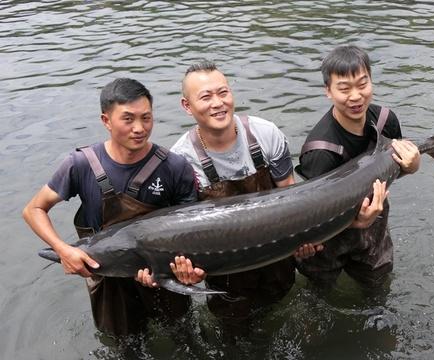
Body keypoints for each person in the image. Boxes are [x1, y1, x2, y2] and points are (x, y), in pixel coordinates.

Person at [22, 78, 203, 337]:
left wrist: (186, 271)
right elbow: (33, 210)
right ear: (106, 121)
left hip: (163, 274)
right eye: (128, 119)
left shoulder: (174, 166)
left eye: (146, 118)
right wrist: (64, 250)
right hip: (108, 279)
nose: (139, 128)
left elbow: (193, 229)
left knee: (182, 335)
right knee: (124, 344)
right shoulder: (81, 164)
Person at [168, 60, 320, 333]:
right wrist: (186, 272)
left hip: (277, 255)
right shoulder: (180, 161)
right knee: (237, 335)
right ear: (187, 106)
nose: (218, 103)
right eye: (206, 97)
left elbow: (291, 198)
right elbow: (184, 231)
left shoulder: (265, 134)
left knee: (285, 317)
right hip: (225, 275)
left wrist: (303, 240)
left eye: (223, 92)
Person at [295, 45, 421, 290]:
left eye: (362, 84)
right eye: (344, 88)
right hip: (330, 239)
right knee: (320, 293)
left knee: (378, 286)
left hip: (375, 223)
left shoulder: (386, 120)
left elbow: (396, 167)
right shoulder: (320, 151)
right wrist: (355, 222)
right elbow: (313, 216)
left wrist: (413, 166)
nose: (355, 96)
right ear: (328, 92)